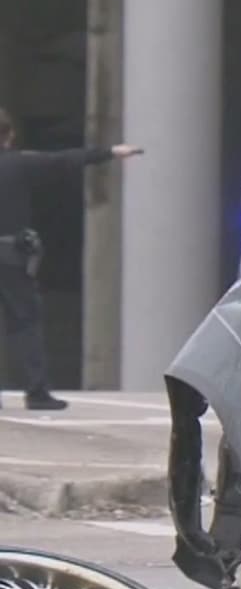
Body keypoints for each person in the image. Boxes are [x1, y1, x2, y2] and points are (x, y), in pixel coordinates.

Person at [0, 107, 143, 411]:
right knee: (24, 323)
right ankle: (36, 391)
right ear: (9, 137)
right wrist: (111, 151)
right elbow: (63, 160)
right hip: (10, 256)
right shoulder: (20, 164)